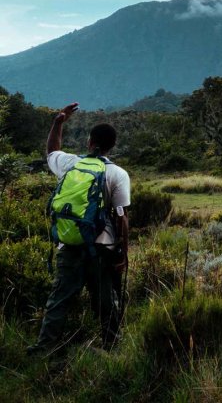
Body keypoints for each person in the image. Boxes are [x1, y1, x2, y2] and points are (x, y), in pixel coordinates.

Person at [27, 102, 131, 355]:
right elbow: (121, 218)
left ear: (89, 142)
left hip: (69, 244)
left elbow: (51, 151)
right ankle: (110, 348)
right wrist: (122, 255)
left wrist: (58, 122)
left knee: (59, 299)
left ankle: (45, 348)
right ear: (112, 146)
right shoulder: (117, 173)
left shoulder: (69, 164)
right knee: (106, 300)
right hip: (102, 248)